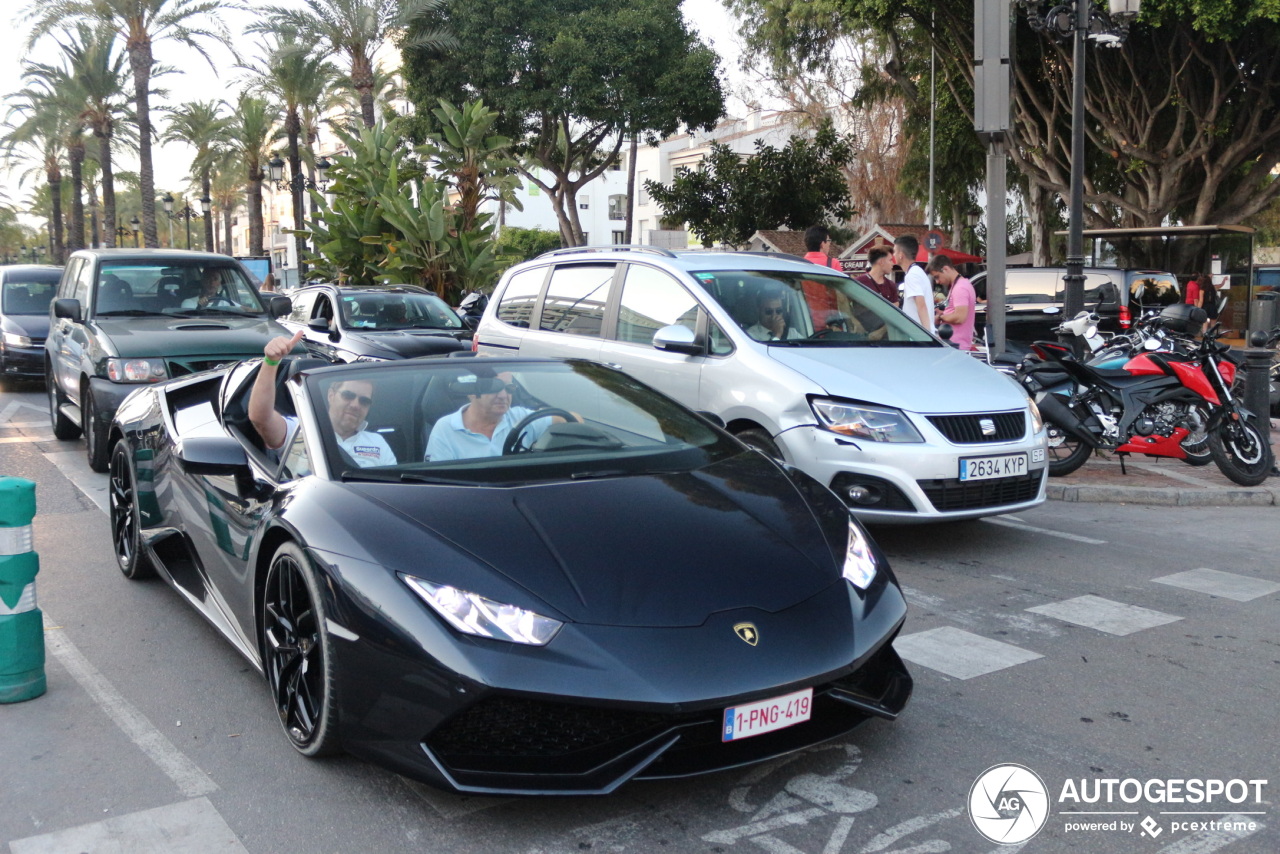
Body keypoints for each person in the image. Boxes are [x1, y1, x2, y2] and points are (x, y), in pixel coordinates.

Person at [248, 331, 396, 467]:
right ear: (331, 395)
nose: (355, 405)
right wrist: (271, 362)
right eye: (348, 396)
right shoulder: (300, 430)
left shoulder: (378, 443)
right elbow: (261, 418)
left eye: (364, 401)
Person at [426, 370, 561, 461]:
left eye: (509, 388)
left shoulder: (521, 417)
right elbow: (438, 482)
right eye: (494, 387)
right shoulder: (446, 428)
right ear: (472, 392)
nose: (503, 395)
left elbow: (572, 420)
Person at [927, 254, 978, 351]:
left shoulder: (960, 288)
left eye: (937, 277)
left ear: (945, 269)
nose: (937, 282)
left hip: (957, 346)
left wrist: (941, 317)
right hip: (955, 345)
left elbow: (960, 317)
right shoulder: (959, 285)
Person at [894, 235, 935, 334]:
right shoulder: (917, 272)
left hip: (919, 336)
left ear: (901, 254)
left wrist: (927, 336)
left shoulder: (912, 275)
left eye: (894, 251)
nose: (893, 255)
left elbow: (921, 306)